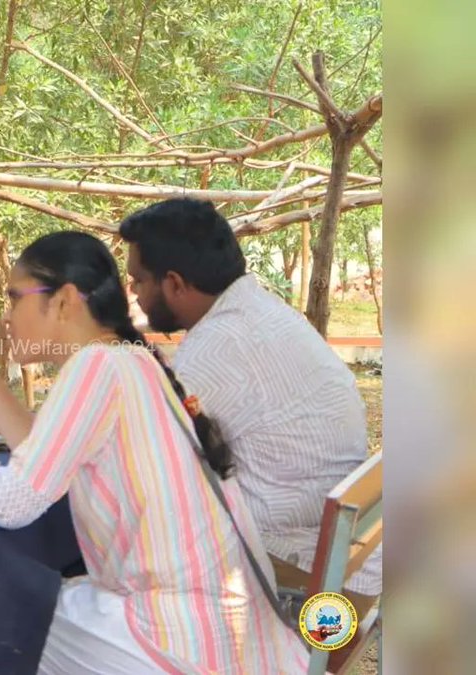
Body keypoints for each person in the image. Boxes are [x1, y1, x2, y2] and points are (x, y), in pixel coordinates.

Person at [0, 231, 308, 673]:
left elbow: (12, 503)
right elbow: (36, 453)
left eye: (16, 299)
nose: (8, 315)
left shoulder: (96, 366)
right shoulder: (129, 360)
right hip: (220, 629)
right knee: (21, 600)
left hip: (177, 636)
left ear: (64, 302)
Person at [120, 198, 381, 616]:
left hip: (314, 595)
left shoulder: (217, 347)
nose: (134, 293)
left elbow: (130, 450)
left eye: (137, 281)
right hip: (350, 569)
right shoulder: (261, 312)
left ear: (174, 283)